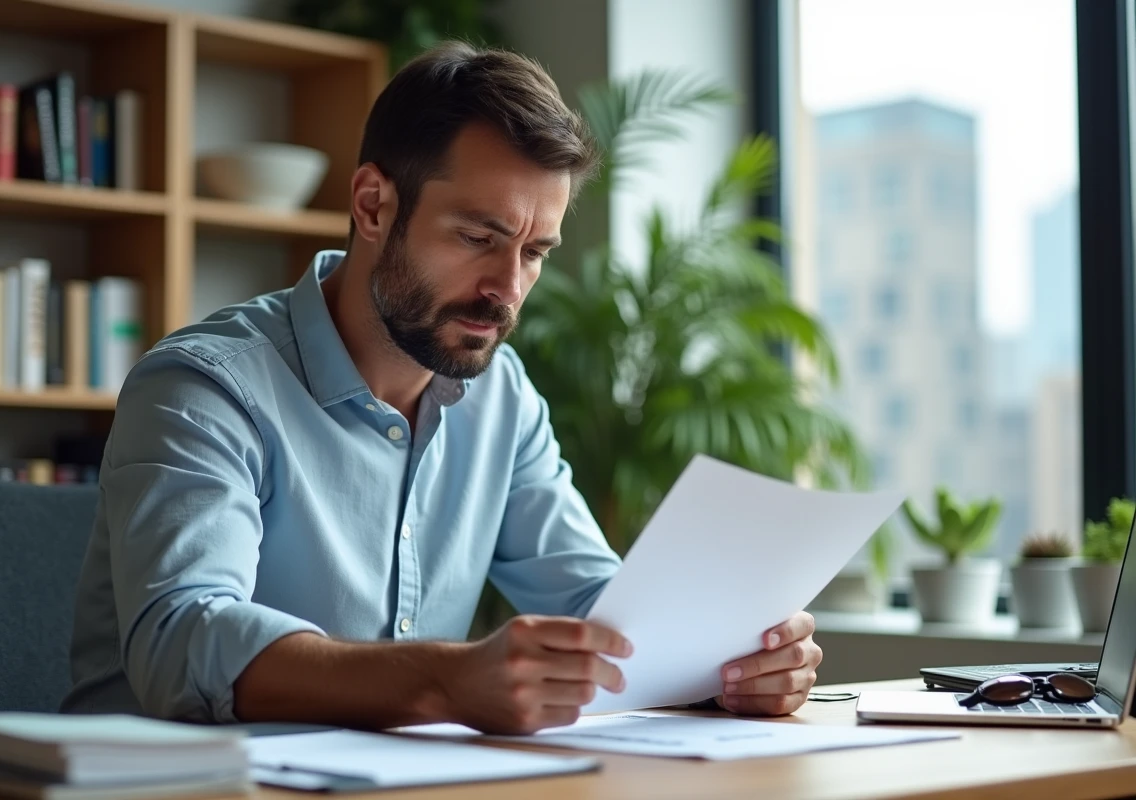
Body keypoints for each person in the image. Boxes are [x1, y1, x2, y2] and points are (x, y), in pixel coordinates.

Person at [62, 41, 823, 735]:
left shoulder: (503, 398)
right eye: (478, 238)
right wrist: (446, 680)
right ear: (372, 206)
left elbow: (602, 613)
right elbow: (183, 640)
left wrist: (726, 665)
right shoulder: (204, 387)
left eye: (534, 252)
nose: (507, 290)